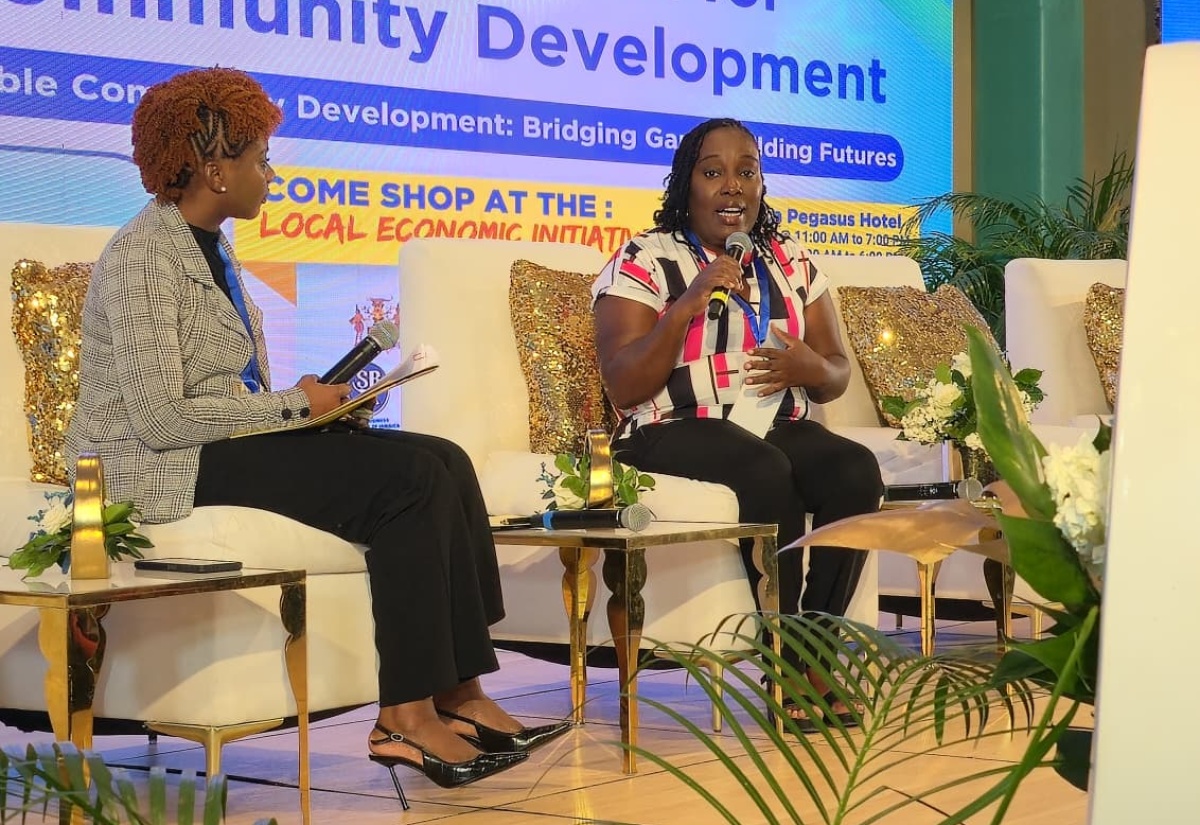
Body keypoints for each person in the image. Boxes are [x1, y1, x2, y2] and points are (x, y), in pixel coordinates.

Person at [63, 67, 568, 799]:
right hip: (159, 465)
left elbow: (226, 395)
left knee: (446, 461)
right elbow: (161, 417)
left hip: (219, 446)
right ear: (213, 168)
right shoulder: (144, 254)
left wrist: (317, 408)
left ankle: (461, 690)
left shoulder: (213, 244)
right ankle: (403, 713)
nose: (271, 172)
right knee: (408, 483)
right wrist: (296, 407)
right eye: (260, 158)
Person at [592, 117, 884, 729]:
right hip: (668, 427)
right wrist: (687, 304)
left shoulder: (790, 259)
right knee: (764, 469)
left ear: (761, 184)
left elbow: (836, 372)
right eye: (714, 172)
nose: (732, 187)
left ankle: (814, 655)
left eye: (746, 171)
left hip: (773, 419)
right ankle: (784, 661)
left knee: (855, 471)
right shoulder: (646, 258)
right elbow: (623, 382)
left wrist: (810, 366)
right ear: (686, 184)